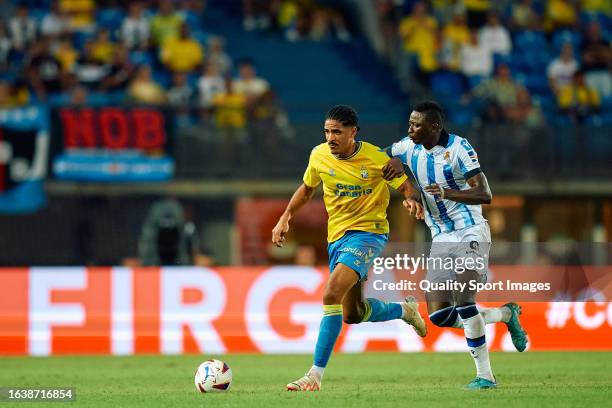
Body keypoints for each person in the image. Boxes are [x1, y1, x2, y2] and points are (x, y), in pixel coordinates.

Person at [271, 105, 427, 392]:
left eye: (337, 132)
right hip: (337, 238)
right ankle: (405, 310)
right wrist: (285, 217)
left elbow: (405, 186)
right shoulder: (319, 155)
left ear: (353, 132)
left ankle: (314, 375)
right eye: (327, 131)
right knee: (352, 313)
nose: (330, 137)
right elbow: (307, 189)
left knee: (330, 292)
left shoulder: (376, 158)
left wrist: (410, 199)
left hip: (369, 235)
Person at [383, 101, 527, 389]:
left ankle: (485, 376)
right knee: (440, 316)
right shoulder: (408, 147)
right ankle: (506, 314)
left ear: (434, 126)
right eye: (409, 124)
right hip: (440, 239)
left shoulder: (460, 149)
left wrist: (448, 192)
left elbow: (485, 193)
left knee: (464, 300)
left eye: (416, 125)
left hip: (470, 232)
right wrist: (408, 192)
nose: (409, 129)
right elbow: (382, 158)